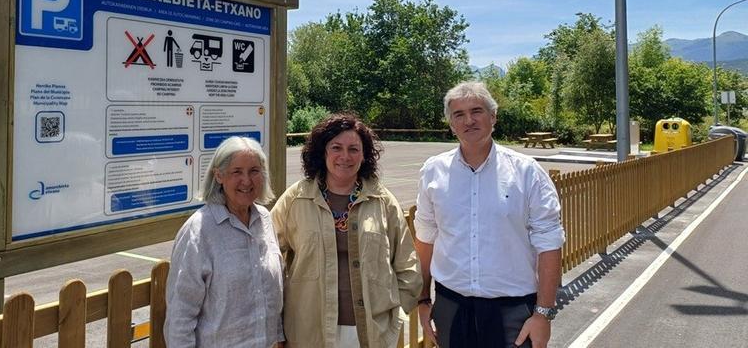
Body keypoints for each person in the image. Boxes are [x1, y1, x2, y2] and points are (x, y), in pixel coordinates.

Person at [414, 82, 565, 348]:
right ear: (451, 124)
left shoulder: (527, 172)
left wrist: (543, 314)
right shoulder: (433, 172)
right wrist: (423, 299)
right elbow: (426, 239)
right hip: (452, 306)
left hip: (513, 311)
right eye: (459, 114)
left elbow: (549, 243)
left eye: (477, 111)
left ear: (493, 117)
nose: (468, 120)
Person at [271, 113, 421, 347]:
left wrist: (395, 314)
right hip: (309, 332)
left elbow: (408, 264)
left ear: (364, 155)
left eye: (353, 149)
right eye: (336, 148)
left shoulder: (382, 201)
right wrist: (275, 318)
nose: (345, 156)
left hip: (371, 333)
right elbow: (268, 257)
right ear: (323, 152)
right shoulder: (296, 199)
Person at [164, 136, 284, 348]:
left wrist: (278, 336)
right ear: (219, 175)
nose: (247, 180)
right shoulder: (199, 230)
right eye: (237, 172)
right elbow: (179, 316)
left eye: (254, 171)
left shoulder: (264, 219)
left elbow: (273, 295)